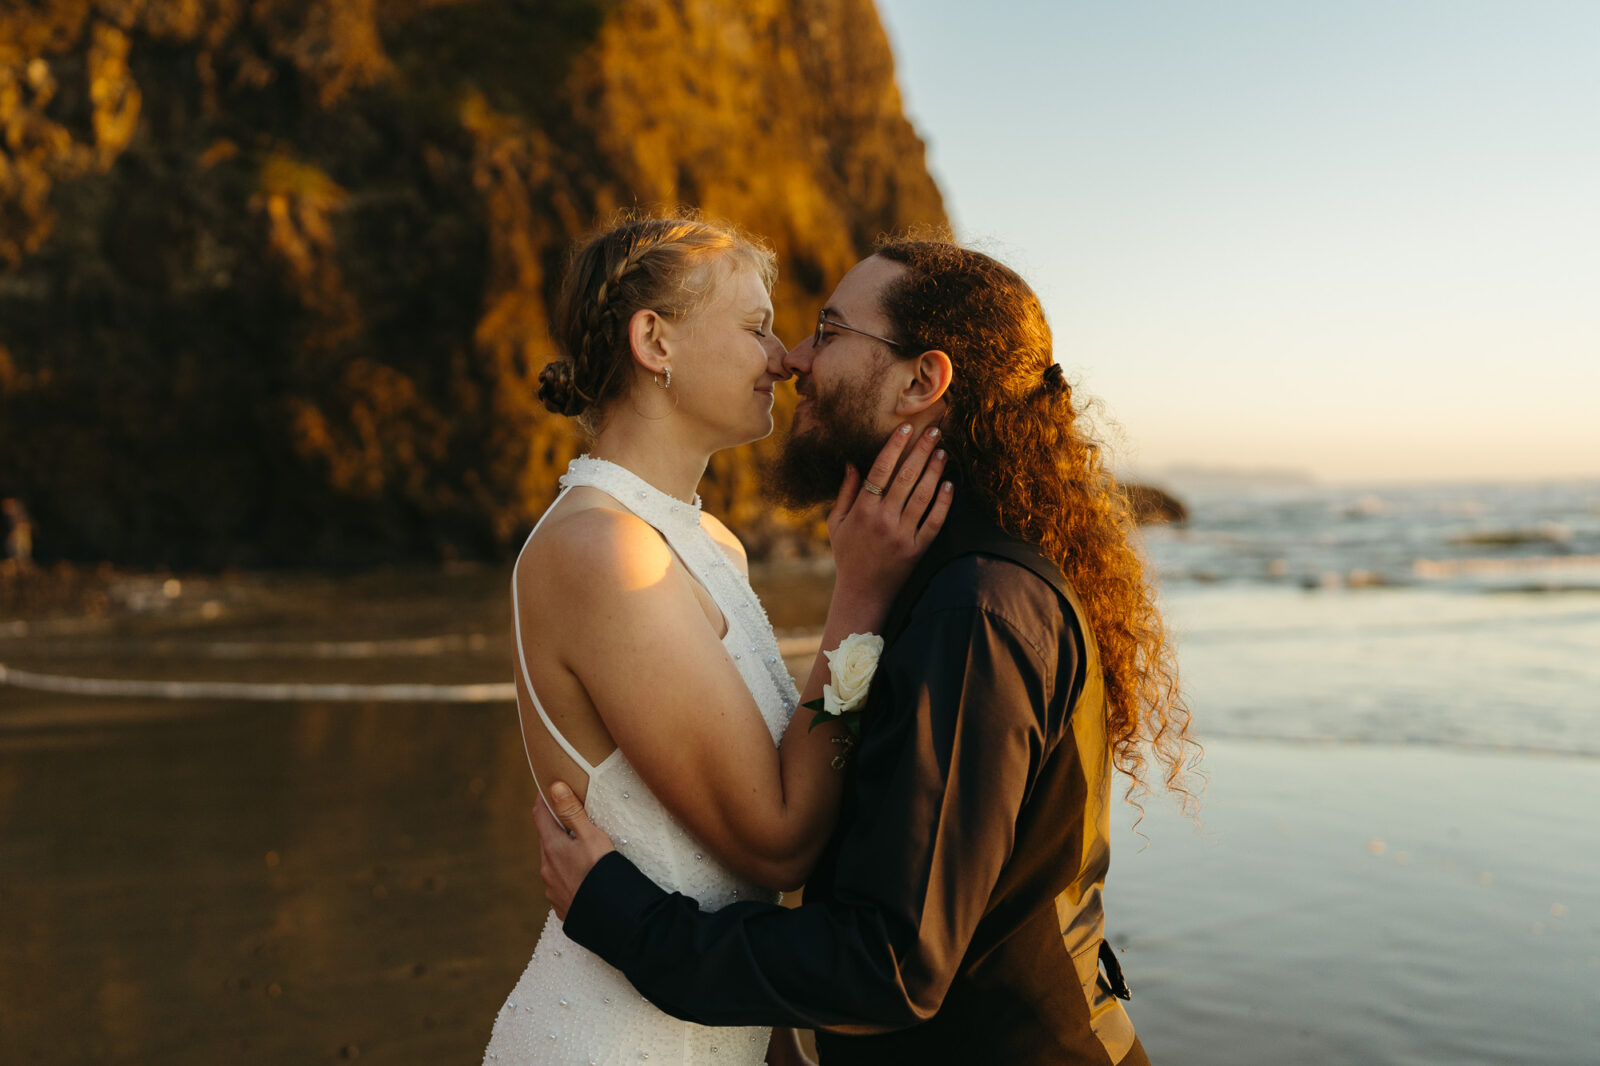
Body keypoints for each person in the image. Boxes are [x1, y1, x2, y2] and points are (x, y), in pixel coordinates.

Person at [535, 240, 1199, 1065]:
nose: (797, 360)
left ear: (923, 382)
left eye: (828, 331)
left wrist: (626, 919)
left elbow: (889, 964)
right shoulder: (928, 577)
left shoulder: (978, 608)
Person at [482, 215, 953, 1066]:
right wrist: (859, 597)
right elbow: (776, 839)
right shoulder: (601, 552)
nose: (784, 357)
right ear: (654, 340)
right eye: (755, 327)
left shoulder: (707, 545)